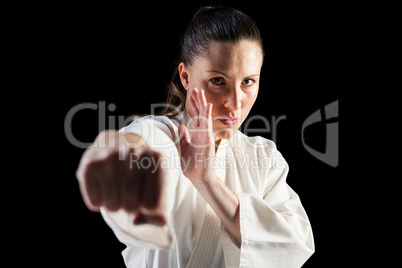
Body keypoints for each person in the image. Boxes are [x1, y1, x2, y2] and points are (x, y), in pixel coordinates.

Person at [76, 6, 314, 268]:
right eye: (218, 81)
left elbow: (295, 246)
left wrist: (208, 182)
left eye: (248, 82)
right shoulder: (160, 134)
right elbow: (137, 148)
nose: (235, 102)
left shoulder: (263, 157)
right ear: (186, 76)